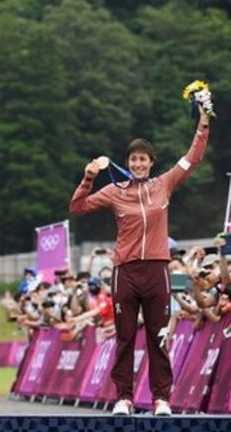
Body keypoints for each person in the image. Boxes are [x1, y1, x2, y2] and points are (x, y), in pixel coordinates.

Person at [69, 104, 210, 416]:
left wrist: (203, 122)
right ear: (128, 163)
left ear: (151, 162)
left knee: (159, 336)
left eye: (143, 159)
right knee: (125, 338)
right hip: (126, 271)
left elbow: (193, 158)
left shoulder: (164, 184)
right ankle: (124, 398)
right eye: (133, 159)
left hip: (157, 269)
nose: (138, 164)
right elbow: (77, 207)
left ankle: (161, 399)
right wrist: (88, 178)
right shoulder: (114, 190)